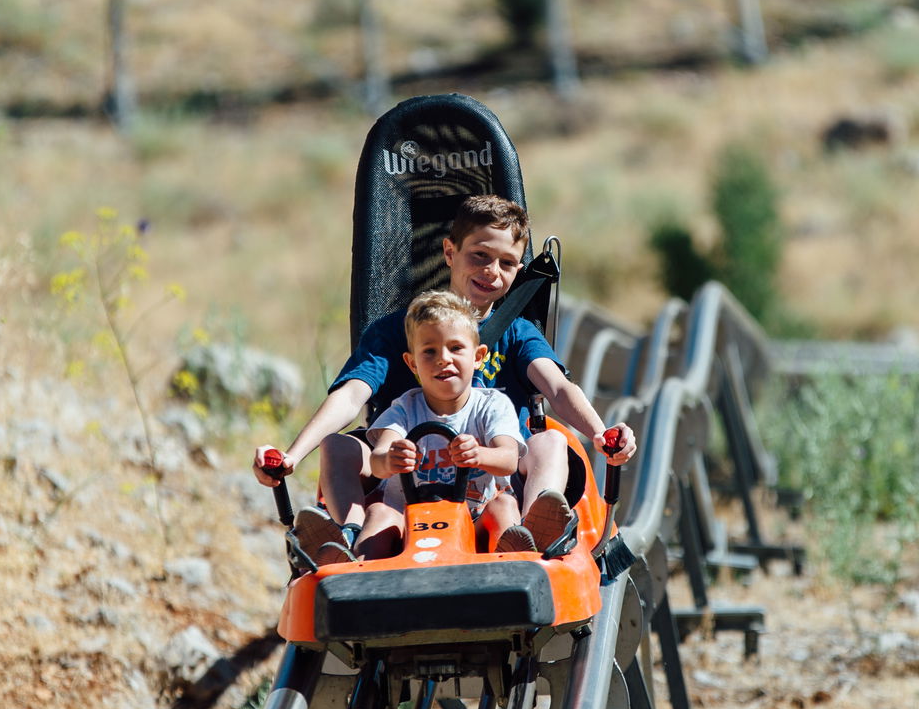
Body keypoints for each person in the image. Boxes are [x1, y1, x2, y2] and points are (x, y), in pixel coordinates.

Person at [253, 194, 636, 562]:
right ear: (450, 253)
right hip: (406, 478)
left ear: (519, 270)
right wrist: (292, 455)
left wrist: (601, 434)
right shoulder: (397, 332)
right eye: (480, 256)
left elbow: (557, 388)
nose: (491, 272)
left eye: (506, 263)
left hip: (495, 481)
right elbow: (352, 396)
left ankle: (535, 529)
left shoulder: (516, 333)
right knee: (337, 445)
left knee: (552, 439)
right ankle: (347, 537)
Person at [346, 290, 524, 560]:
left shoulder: (492, 405)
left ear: (478, 356)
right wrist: (392, 458)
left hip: (474, 522)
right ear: (412, 363)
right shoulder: (404, 409)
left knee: (504, 504)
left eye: (455, 348)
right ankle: (357, 572)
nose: (443, 358)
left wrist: (480, 454)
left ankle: (518, 565)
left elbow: (509, 459)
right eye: (429, 351)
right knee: (380, 513)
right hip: (408, 527)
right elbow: (378, 461)